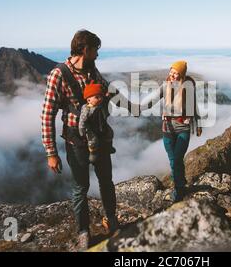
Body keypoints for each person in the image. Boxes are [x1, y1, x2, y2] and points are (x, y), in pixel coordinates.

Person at [41, 29, 136, 250]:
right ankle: (84, 231)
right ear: (85, 49)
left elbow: (104, 88)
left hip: (100, 139)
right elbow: (47, 114)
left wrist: (122, 100)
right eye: (95, 50)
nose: (97, 55)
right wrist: (51, 152)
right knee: (80, 187)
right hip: (75, 140)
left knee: (106, 181)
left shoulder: (92, 69)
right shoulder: (59, 74)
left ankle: (111, 220)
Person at [142, 60, 202, 202]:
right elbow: (154, 99)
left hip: (183, 128)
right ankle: (180, 184)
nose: (173, 75)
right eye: (171, 72)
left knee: (176, 159)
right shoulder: (166, 85)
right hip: (167, 128)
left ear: (182, 74)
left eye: (176, 73)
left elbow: (194, 107)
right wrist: (140, 107)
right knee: (173, 160)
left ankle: (179, 189)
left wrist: (198, 124)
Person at [78, 80, 115, 166]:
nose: (100, 99)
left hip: (101, 125)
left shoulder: (100, 104)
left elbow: (106, 99)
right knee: (93, 140)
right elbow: (82, 120)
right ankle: (93, 152)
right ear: (89, 99)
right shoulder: (86, 109)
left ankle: (109, 146)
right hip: (90, 128)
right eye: (97, 97)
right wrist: (82, 130)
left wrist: (108, 95)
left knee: (110, 133)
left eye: (100, 97)